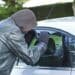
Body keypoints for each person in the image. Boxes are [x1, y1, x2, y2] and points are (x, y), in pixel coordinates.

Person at [0, 9, 49, 75]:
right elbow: (30, 58)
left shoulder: (4, 23)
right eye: (29, 28)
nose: (27, 31)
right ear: (24, 25)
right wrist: (43, 43)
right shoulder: (14, 32)